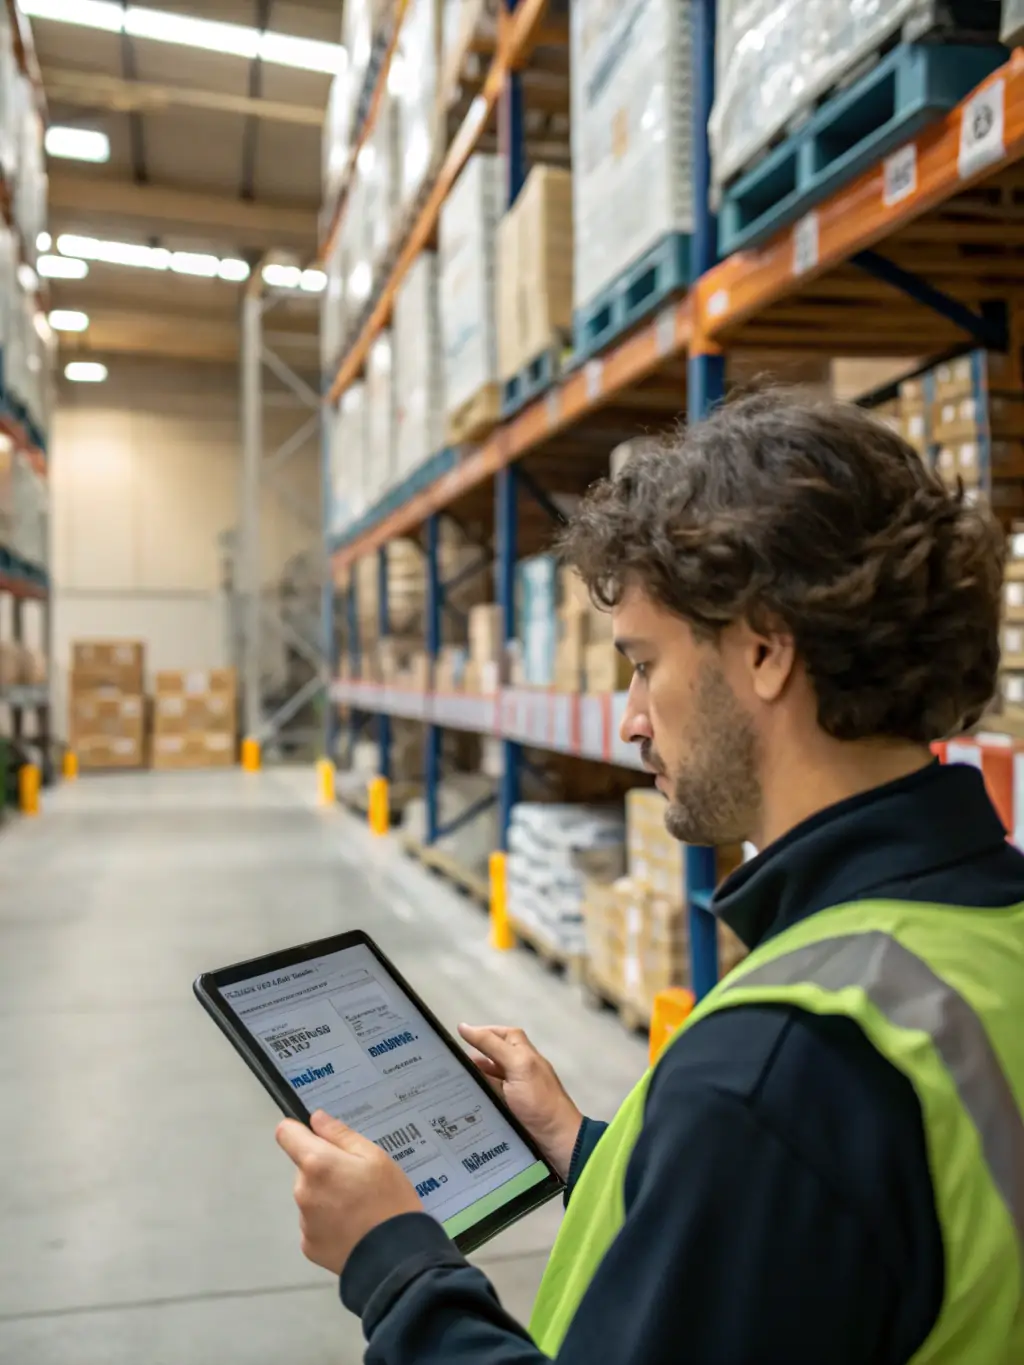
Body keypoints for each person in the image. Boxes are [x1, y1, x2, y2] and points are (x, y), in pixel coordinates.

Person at [276, 391, 1024, 1365]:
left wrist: (394, 1264)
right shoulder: (979, 932)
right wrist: (590, 1149)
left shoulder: (779, 1069)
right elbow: (833, 1249)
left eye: (642, 664)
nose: (630, 720)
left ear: (762, 648)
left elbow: (794, 1162)